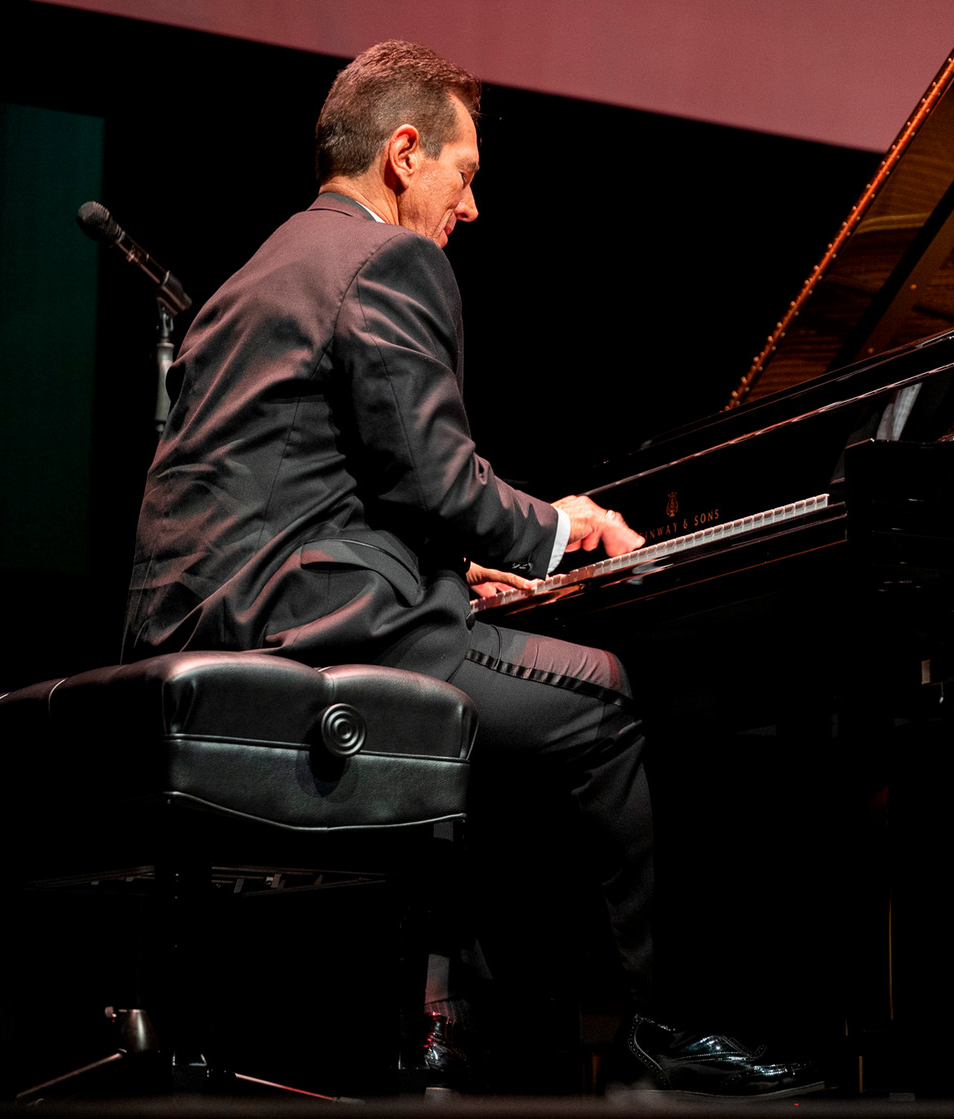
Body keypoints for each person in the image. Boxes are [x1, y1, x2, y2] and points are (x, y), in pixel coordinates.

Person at [121, 39, 820, 1099]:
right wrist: (558, 529)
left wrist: (445, 575)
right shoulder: (392, 261)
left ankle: (464, 1020)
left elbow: (310, 484)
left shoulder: (259, 271)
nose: (472, 206)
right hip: (313, 631)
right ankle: (654, 1028)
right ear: (405, 153)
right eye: (467, 172)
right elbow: (439, 481)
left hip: (207, 625)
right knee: (602, 701)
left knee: (504, 694)